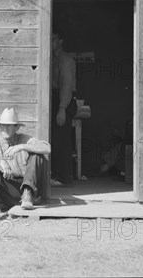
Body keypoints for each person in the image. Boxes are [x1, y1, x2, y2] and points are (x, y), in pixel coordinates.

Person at [0, 108, 50, 215]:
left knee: (38, 155)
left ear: (17, 127)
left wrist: (22, 147)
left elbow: (47, 148)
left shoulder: (25, 139)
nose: (6, 129)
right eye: (3, 125)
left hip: (33, 194)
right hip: (10, 191)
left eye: (9, 126)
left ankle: (27, 192)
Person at [51, 30, 78, 186]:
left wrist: (62, 109)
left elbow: (66, 86)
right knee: (55, 139)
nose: (51, 42)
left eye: (54, 39)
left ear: (60, 41)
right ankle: (56, 175)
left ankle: (64, 177)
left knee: (62, 140)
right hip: (55, 99)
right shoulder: (52, 58)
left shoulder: (65, 60)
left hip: (63, 101)